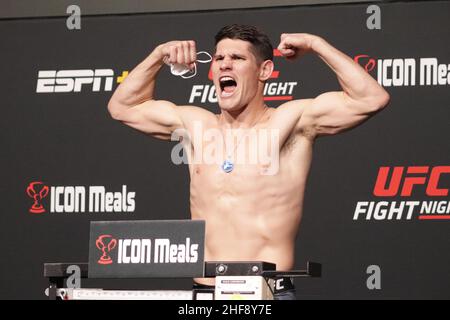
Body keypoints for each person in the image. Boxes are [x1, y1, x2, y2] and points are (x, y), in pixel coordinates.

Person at [107, 24, 390, 299]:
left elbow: (371, 99)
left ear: (264, 70)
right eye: (219, 58)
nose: (225, 65)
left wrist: (317, 45)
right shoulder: (195, 125)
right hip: (205, 293)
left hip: (267, 292)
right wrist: (158, 56)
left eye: (238, 58)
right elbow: (122, 107)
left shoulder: (289, 121)